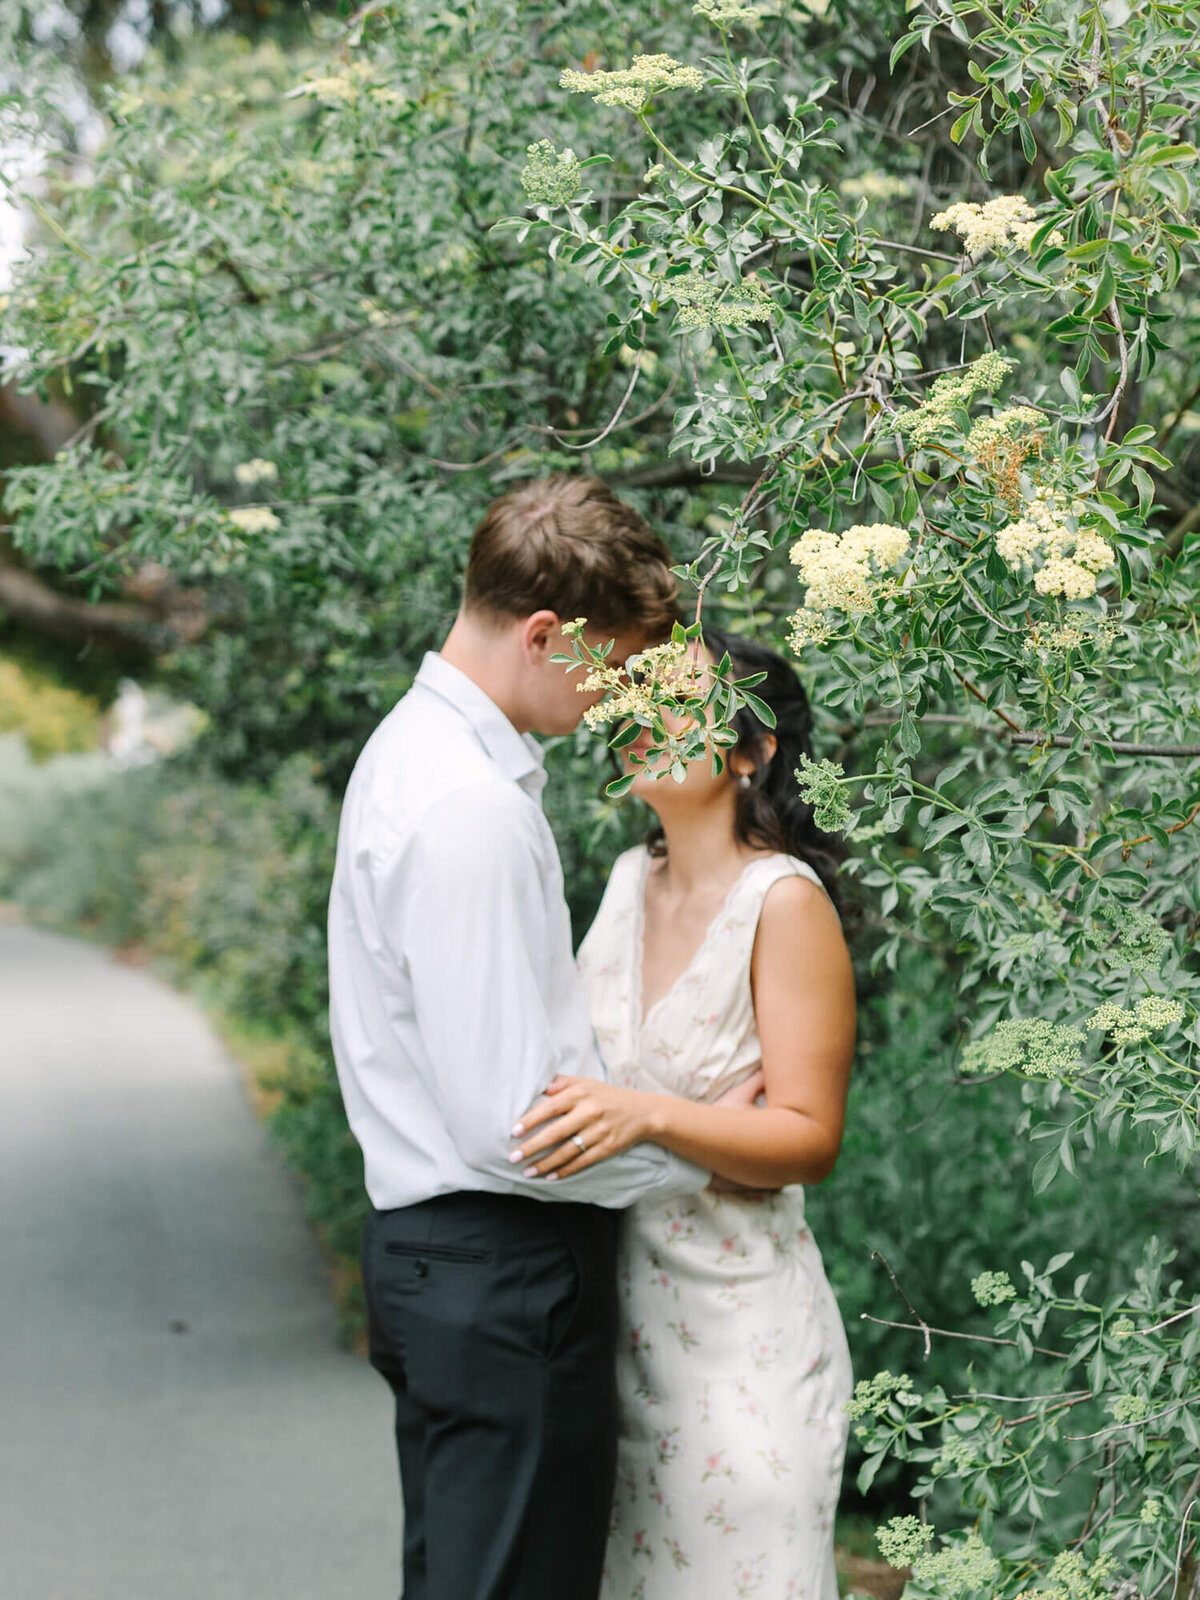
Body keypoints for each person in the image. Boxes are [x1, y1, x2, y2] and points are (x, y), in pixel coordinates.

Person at [326, 474, 715, 1600]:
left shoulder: (412, 758)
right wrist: (707, 1152)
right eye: (616, 664)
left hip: (450, 1264)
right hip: (503, 1270)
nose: (616, 699)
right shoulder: (471, 809)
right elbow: (519, 1130)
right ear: (544, 633)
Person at [510, 629, 856, 1600]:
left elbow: (805, 1139)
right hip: (612, 1332)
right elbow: (573, 1088)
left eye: (670, 699)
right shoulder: (628, 881)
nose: (633, 716)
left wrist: (654, 1118)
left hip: (739, 1344)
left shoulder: (782, 903)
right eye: (629, 697)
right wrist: (685, 1126)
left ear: (752, 751)